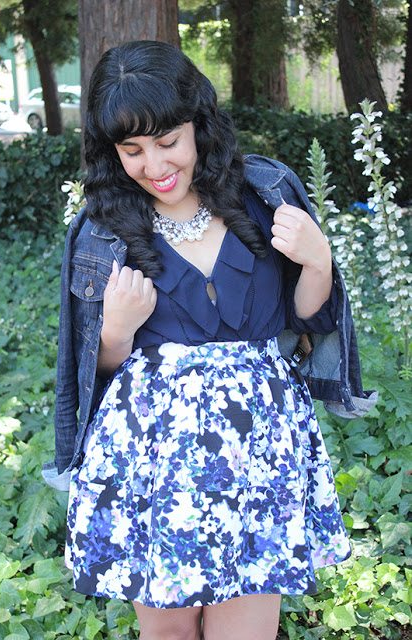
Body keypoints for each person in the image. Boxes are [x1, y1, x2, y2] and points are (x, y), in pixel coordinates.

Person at [42, 40, 377, 640]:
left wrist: (320, 261)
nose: (154, 165)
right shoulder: (102, 231)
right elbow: (93, 368)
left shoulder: (263, 195)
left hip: (260, 451)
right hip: (151, 461)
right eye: (132, 150)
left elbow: (303, 321)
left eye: (167, 141)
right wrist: (116, 328)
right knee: (169, 633)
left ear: (198, 123)